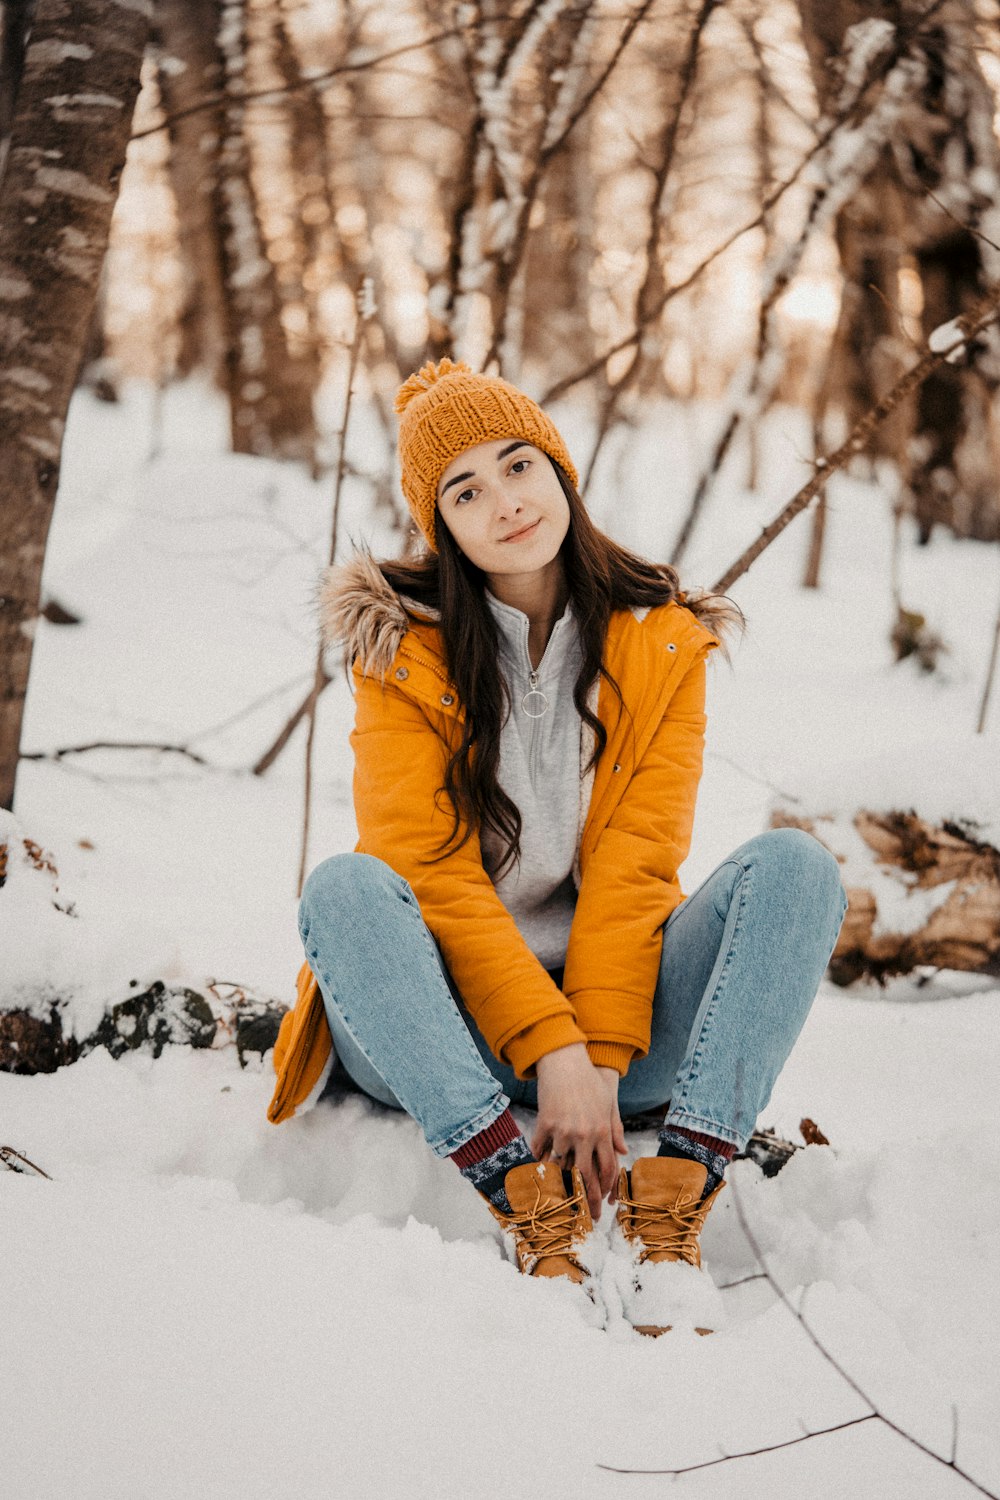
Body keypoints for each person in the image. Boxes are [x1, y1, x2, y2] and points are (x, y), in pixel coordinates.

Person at [267, 357, 848, 1334]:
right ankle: (526, 1198)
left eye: (517, 465)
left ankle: (673, 1202)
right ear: (438, 523)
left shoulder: (659, 645)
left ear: (560, 469)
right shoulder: (399, 653)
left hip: (619, 1028)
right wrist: (552, 1054)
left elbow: (635, 868)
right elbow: (433, 880)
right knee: (345, 888)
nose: (503, 502)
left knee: (796, 869)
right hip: (434, 1031)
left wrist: (601, 1058)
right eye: (465, 489)